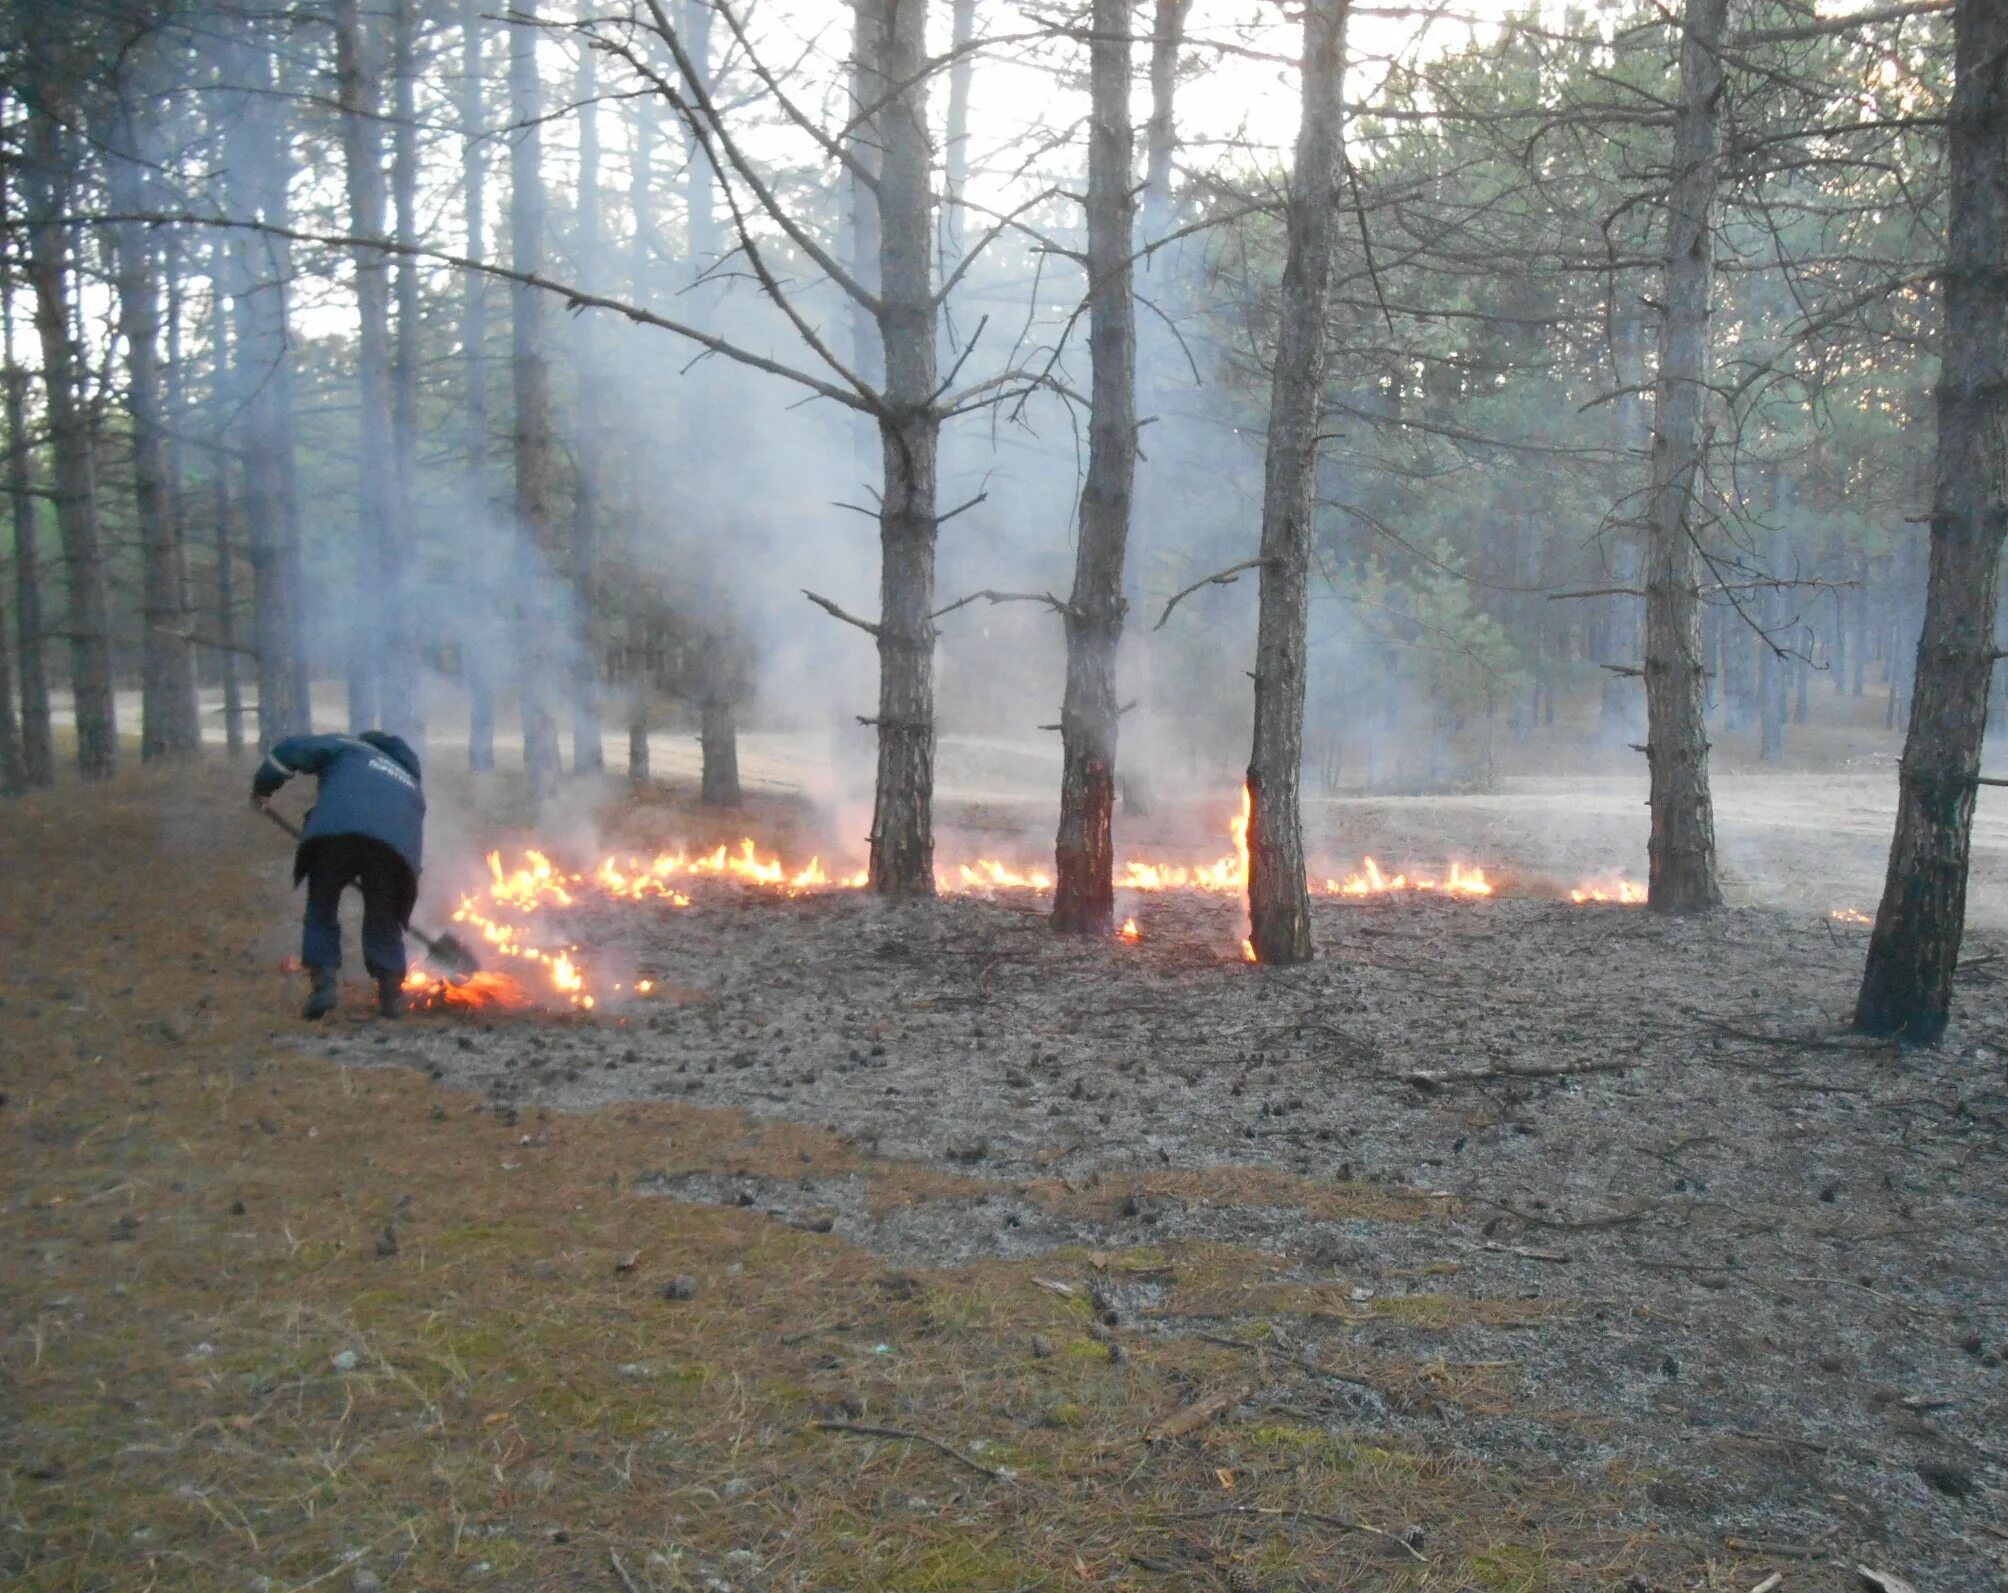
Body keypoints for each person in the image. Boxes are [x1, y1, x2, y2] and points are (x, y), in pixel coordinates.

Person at [252, 730, 426, 1021]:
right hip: (390, 851)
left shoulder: (349, 747)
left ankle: (324, 987)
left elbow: (291, 749)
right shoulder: (412, 787)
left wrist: (263, 789)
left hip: (334, 835)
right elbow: (411, 851)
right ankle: (391, 994)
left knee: (322, 906)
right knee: (384, 916)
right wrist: (400, 896)